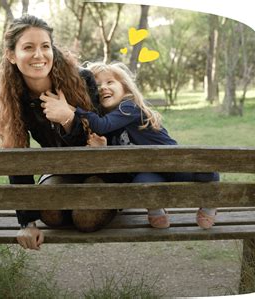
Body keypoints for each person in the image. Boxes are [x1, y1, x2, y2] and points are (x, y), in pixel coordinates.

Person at [0, 15, 121, 250]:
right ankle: (77, 198)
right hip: (63, 170)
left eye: (45, 46)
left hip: (101, 168)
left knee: (85, 218)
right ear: (12, 55)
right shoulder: (14, 98)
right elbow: (16, 160)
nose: (39, 55)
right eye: (28, 48)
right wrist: (27, 222)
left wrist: (68, 119)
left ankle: (98, 196)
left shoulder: (81, 80)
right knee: (50, 214)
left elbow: (96, 142)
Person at [42, 61, 219, 229]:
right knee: (141, 183)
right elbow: (118, 160)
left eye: (110, 82)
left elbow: (101, 125)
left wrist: (72, 110)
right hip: (149, 171)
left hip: (172, 163)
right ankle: (156, 209)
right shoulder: (106, 123)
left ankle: (209, 206)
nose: (103, 87)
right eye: (97, 85)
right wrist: (104, 149)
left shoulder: (129, 107)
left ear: (125, 87)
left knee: (207, 170)